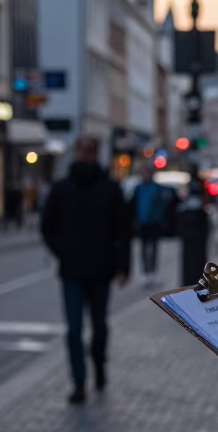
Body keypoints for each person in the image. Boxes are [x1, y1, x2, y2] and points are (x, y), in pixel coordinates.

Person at [41, 136, 130, 404]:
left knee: (99, 326)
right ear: (76, 152)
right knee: (74, 329)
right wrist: (62, 251)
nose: (86, 155)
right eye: (83, 151)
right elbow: (47, 226)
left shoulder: (110, 188)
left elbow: (123, 230)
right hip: (72, 270)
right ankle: (79, 380)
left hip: (101, 269)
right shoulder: (63, 188)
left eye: (91, 151)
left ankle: (99, 365)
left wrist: (122, 267)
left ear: (96, 153)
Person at [132, 167, 167, 286]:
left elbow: (161, 205)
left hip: (153, 222)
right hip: (142, 222)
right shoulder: (139, 188)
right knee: (143, 249)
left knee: (153, 248)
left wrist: (159, 218)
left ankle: (152, 272)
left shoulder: (156, 188)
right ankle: (145, 272)